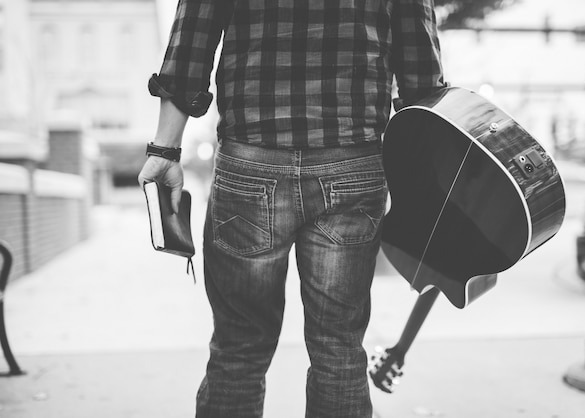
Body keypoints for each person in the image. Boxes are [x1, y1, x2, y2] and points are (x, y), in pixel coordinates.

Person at [138, 1, 446, 417]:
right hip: (352, 160)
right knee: (338, 347)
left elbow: (192, 37)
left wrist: (164, 149)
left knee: (239, 347)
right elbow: (419, 63)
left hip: (251, 159)